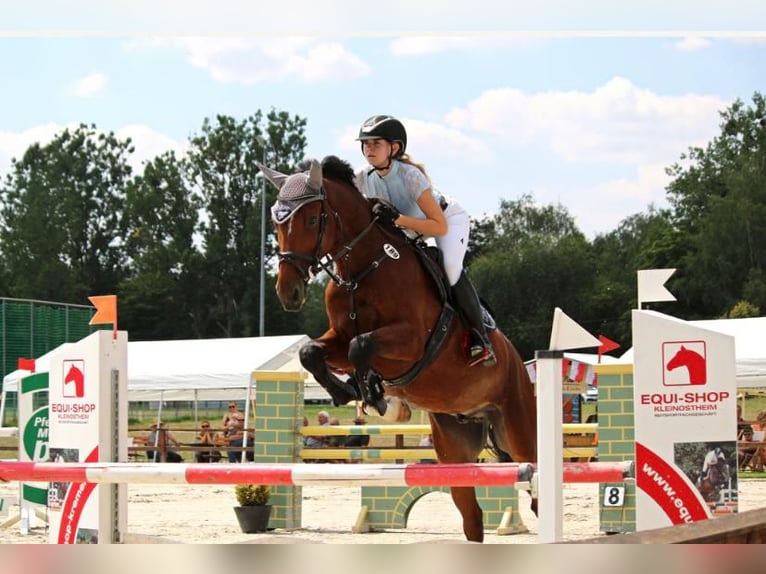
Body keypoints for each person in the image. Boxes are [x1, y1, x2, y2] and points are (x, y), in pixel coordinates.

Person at [353, 114, 495, 367]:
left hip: (447, 220)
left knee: (450, 269)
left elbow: (438, 226)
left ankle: (481, 338)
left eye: (376, 143)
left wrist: (397, 219)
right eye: (365, 144)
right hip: (411, 229)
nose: (369, 149)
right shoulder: (363, 177)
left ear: (394, 148)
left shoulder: (410, 176)